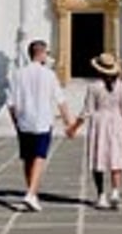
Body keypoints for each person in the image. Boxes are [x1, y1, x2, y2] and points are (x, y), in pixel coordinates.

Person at [8, 39, 73, 212]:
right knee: (39, 157)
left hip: (24, 121)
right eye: (46, 53)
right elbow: (61, 100)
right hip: (43, 121)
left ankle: (32, 194)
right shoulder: (49, 75)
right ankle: (31, 194)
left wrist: (16, 123)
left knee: (27, 157)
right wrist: (69, 123)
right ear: (42, 54)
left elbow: (11, 104)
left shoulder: (18, 74)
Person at [68, 52, 122, 209]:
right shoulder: (121, 86)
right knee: (115, 157)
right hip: (117, 122)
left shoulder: (94, 87)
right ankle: (115, 191)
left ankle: (101, 195)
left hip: (100, 124)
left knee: (99, 159)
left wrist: (74, 127)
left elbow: (87, 111)